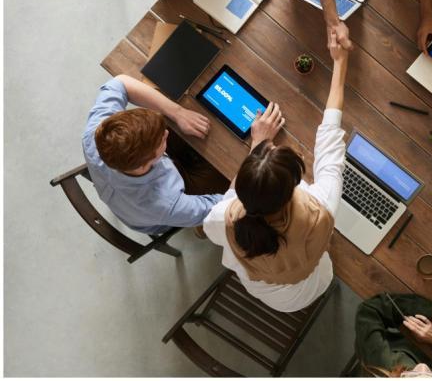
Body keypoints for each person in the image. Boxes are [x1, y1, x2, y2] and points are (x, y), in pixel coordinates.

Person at [203, 32, 349, 312]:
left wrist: (257, 144)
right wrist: (341, 63)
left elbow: (226, 206)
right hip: (311, 285)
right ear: (293, 187)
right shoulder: (320, 208)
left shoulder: (224, 217)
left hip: (272, 296)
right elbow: (330, 141)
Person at [82, 74, 227, 235]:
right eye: (162, 139)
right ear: (145, 164)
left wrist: (178, 113)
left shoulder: (97, 134)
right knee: (232, 175)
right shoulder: (165, 204)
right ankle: (200, 228)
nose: (166, 133)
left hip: (132, 193)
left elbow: (120, 82)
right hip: (164, 211)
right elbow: (224, 208)